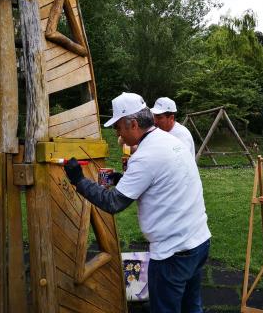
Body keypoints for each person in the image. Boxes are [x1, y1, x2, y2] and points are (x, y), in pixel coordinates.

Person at [64, 92, 211, 313]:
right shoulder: (168, 140)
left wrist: (78, 180)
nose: (118, 134)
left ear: (132, 124)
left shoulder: (146, 155)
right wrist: (120, 179)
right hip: (199, 242)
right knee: (192, 308)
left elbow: (113, 203)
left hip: (173, 252)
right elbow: (160, 181)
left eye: (118, 128)